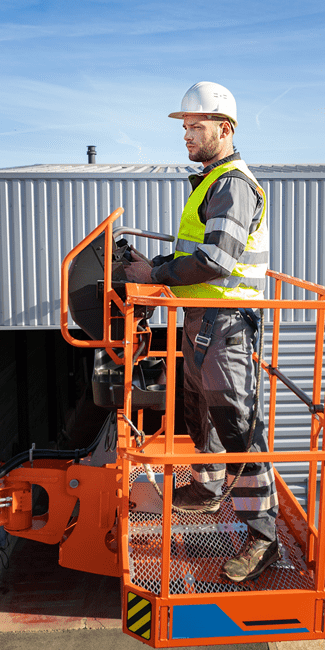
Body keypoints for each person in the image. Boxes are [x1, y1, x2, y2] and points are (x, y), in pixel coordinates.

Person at [123, 82, 279, 583]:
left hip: (228, 323)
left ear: (224, 128)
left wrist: (155, 274)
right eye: (184, 126)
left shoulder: (232, 183)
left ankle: (263, 536)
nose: (185, 134)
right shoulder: (210, 181)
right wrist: (163, 267)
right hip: (201, 319)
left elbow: (216, 260)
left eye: (194, 125)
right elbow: (198, 252)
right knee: (197, 407)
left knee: (237, 425)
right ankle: (208, 489)